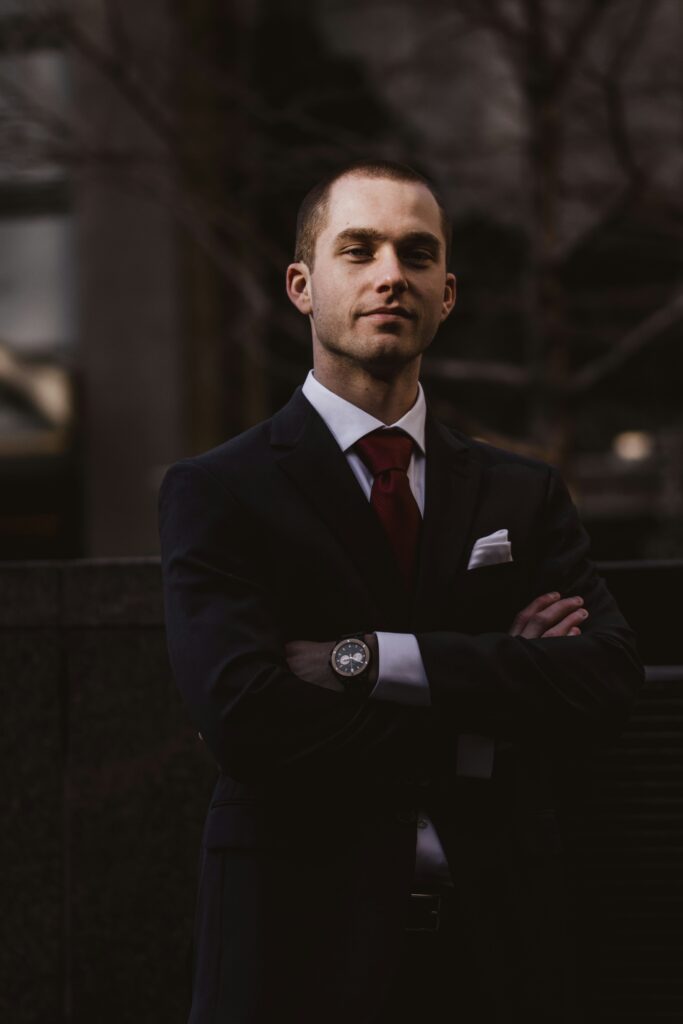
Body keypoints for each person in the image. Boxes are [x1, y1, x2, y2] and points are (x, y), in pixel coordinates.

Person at [158, 159, 643, 1023]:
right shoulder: (218, 491)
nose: (392, 274)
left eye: (416, 255)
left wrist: (367, 661)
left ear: (446, 293)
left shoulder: (519, 493)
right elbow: (245, 717)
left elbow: (604, 682)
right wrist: (492, 705)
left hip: (501, 953)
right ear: (302, 285)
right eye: (360, 249)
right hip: (297, 951)